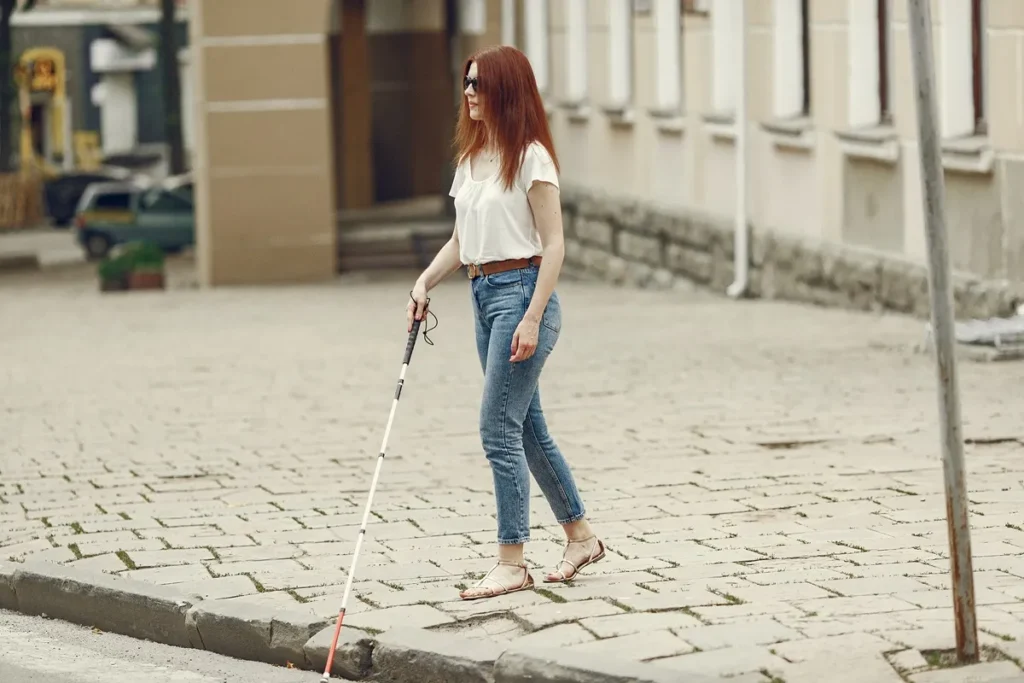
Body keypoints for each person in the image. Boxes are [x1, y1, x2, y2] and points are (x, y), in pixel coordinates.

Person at [406, 45, 606, 601]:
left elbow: (555, 244)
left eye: (479, 84)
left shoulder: (532, 158)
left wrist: (534, 316)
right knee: (525, 427)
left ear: (506, 91)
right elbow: (460, 241)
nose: (468, 92)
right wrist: (424, 282)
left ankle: (511, 560)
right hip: (481, 293)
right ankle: (581, 537)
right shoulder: (471, 159)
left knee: (498, 428)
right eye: (465, 82)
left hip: (522, 294)